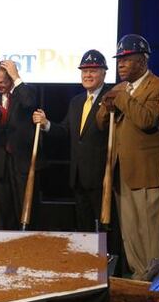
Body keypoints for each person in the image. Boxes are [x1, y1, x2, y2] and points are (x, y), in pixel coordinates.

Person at [96, 34, 159, 280]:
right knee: (130, 230)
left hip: (147, 172)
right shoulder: (119, 90)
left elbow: (147, 120)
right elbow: (100, 123)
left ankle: (156, 277)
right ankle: (139, 273)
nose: (121, 64)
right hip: (122, 171)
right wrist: (106, 108)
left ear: (142, 60)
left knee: (150, 230)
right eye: (119, 59)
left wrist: (122, 98)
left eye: (127, 59)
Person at [32, 50, 109, 232]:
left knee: (106, 229)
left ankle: (106, 261)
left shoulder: (111, 98)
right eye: (84, 71)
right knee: (84, 228)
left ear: (104, 73)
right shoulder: (76, 101)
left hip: (102, 178)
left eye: (93, 70)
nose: (88, 75)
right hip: (79, 177)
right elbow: (65, 131)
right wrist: (46, 124)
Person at [0, 60, 39, 229]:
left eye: (3, 81)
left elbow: (30, 103)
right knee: (4, 209)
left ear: (12, 80)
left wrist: (16, 77)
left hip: (21, 161)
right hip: (0, 161)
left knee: (24, 207)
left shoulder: (25, 93)